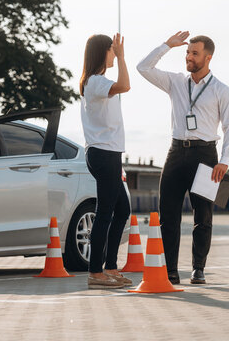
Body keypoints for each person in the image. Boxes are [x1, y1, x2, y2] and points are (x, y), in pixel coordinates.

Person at [137, 31, 229, 284]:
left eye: (194, 53)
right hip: (176, 152)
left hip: (205, 155)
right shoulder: (175, 82)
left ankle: (198, 268)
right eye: (187, 52)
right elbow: (143, 67)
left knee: (202, 215)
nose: (189, 57)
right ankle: (170, 270)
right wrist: (166, 46)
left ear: (208, 57)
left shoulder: (221, 90)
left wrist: (225, 160)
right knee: (168, 214)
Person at [80, 33, 132, 289]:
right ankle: (95, 272)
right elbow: (125, 86)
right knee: (105, 213)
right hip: (103, 154)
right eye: (112, 50)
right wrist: (123, 59)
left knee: (121, 210)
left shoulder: (96, 82)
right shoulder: (96, 82)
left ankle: (110, 267)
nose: (115, 53)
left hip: (109, 154)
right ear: (102, 52)